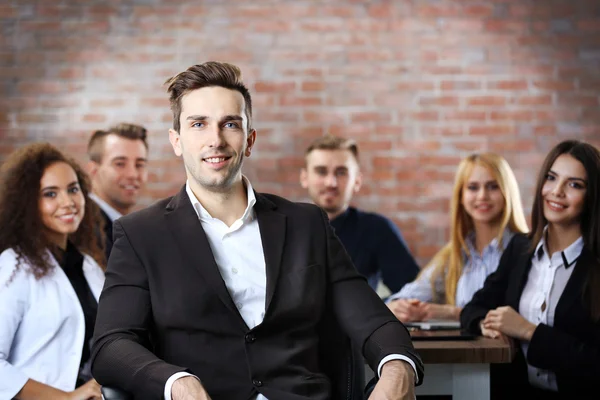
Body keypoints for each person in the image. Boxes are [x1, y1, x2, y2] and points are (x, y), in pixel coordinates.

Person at [90, 61, 423, 400]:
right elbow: (111, 345)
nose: (215, 140)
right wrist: (176, 382)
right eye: (199, 124)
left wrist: (398, 368)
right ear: (177, 141)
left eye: (230, 124)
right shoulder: (140, 234)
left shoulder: (307, 225)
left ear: (249, 140)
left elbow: (373, 319)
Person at [461, 140, 600, 398]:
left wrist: (528, 331)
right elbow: (474, 307)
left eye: (574, 184)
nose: (556, 191)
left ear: (592, 196)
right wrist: (485, 323)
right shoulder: (520, 249)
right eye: (551, 178)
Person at [0, 143, 106, 399]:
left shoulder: (89, 266)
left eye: (73, 189)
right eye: (50, 194)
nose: (68, 202)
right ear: (27, 203)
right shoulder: (14, 265)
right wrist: (66, 398)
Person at [387, 153, 529, 322]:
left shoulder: (526, 251)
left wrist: (452, 313)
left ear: (507, 192)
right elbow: (407, 296)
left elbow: (516, 316)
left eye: (492, 186)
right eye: (473, 187)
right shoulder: (453, 254)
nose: (482, 196)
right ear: (461, 196)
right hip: (464, 348)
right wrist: (398, 306)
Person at [300, 135, 419, 294]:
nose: (331, 183)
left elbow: (410, 292)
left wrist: (387, 306)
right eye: (321, 172)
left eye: (341, 172)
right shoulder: (283, 230)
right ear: (304, 178)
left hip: (358, 318)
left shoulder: (377, 229)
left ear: (357, 181)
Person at [86, 122, 149, 261]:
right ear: (93, 170)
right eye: (120, 164)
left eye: (140, 165)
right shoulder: (83, 228)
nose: (133, 174)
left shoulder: (127, 228)